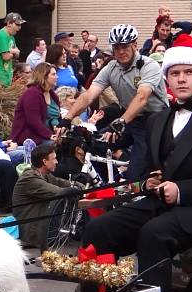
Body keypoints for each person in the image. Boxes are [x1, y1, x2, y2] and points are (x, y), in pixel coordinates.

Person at [80, 43, 192, 292]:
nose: (181, 79)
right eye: (175, 73)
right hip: (160, 205)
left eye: (189, 72)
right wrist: (148, 182)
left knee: (154, 234)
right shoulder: (157, 120)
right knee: (98, 229)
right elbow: (150, 169)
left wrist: (181, 191)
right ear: (166, 79)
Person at [66, 24, 171, 181]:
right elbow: (89, 95)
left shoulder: (149, 65)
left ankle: (133, 189)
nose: (121, 51)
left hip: (154, 121)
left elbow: (142, 97)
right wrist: (66, 118)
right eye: (116, 47)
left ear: (134, 45)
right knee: (93, 144)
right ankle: (112, 183)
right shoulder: (111, 68)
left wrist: (121, 122)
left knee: (136, 172)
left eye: (125, 46)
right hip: (129, 119)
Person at [12, 143, 80, 250]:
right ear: (44, 162)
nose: (57, 162)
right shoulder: (30, 179)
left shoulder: (44, 174)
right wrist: (77, 190)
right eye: (54, 159)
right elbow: (59, 192)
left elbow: (59, 182)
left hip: (40, 226)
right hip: (31, 232)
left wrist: (78, 185)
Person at [10, 62, 59, 146]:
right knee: (54, 145)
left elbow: (57, 117)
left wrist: (59, 128)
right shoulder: (32, 94)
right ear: (44, 76)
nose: (57, 77)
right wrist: (50, 135)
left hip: (49, 134)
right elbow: (33, 121)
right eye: (53, 74)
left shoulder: (53, 95)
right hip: (30, 137)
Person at [0, 13, 24, 86]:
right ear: (9, 23)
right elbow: (6, 57)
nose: (19, 27)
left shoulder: (11, 37)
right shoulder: (2, 35)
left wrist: (11, 51)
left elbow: (18, 55)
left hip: (6, 71)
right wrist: (13, 51)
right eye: (17, 24)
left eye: (20, 25)